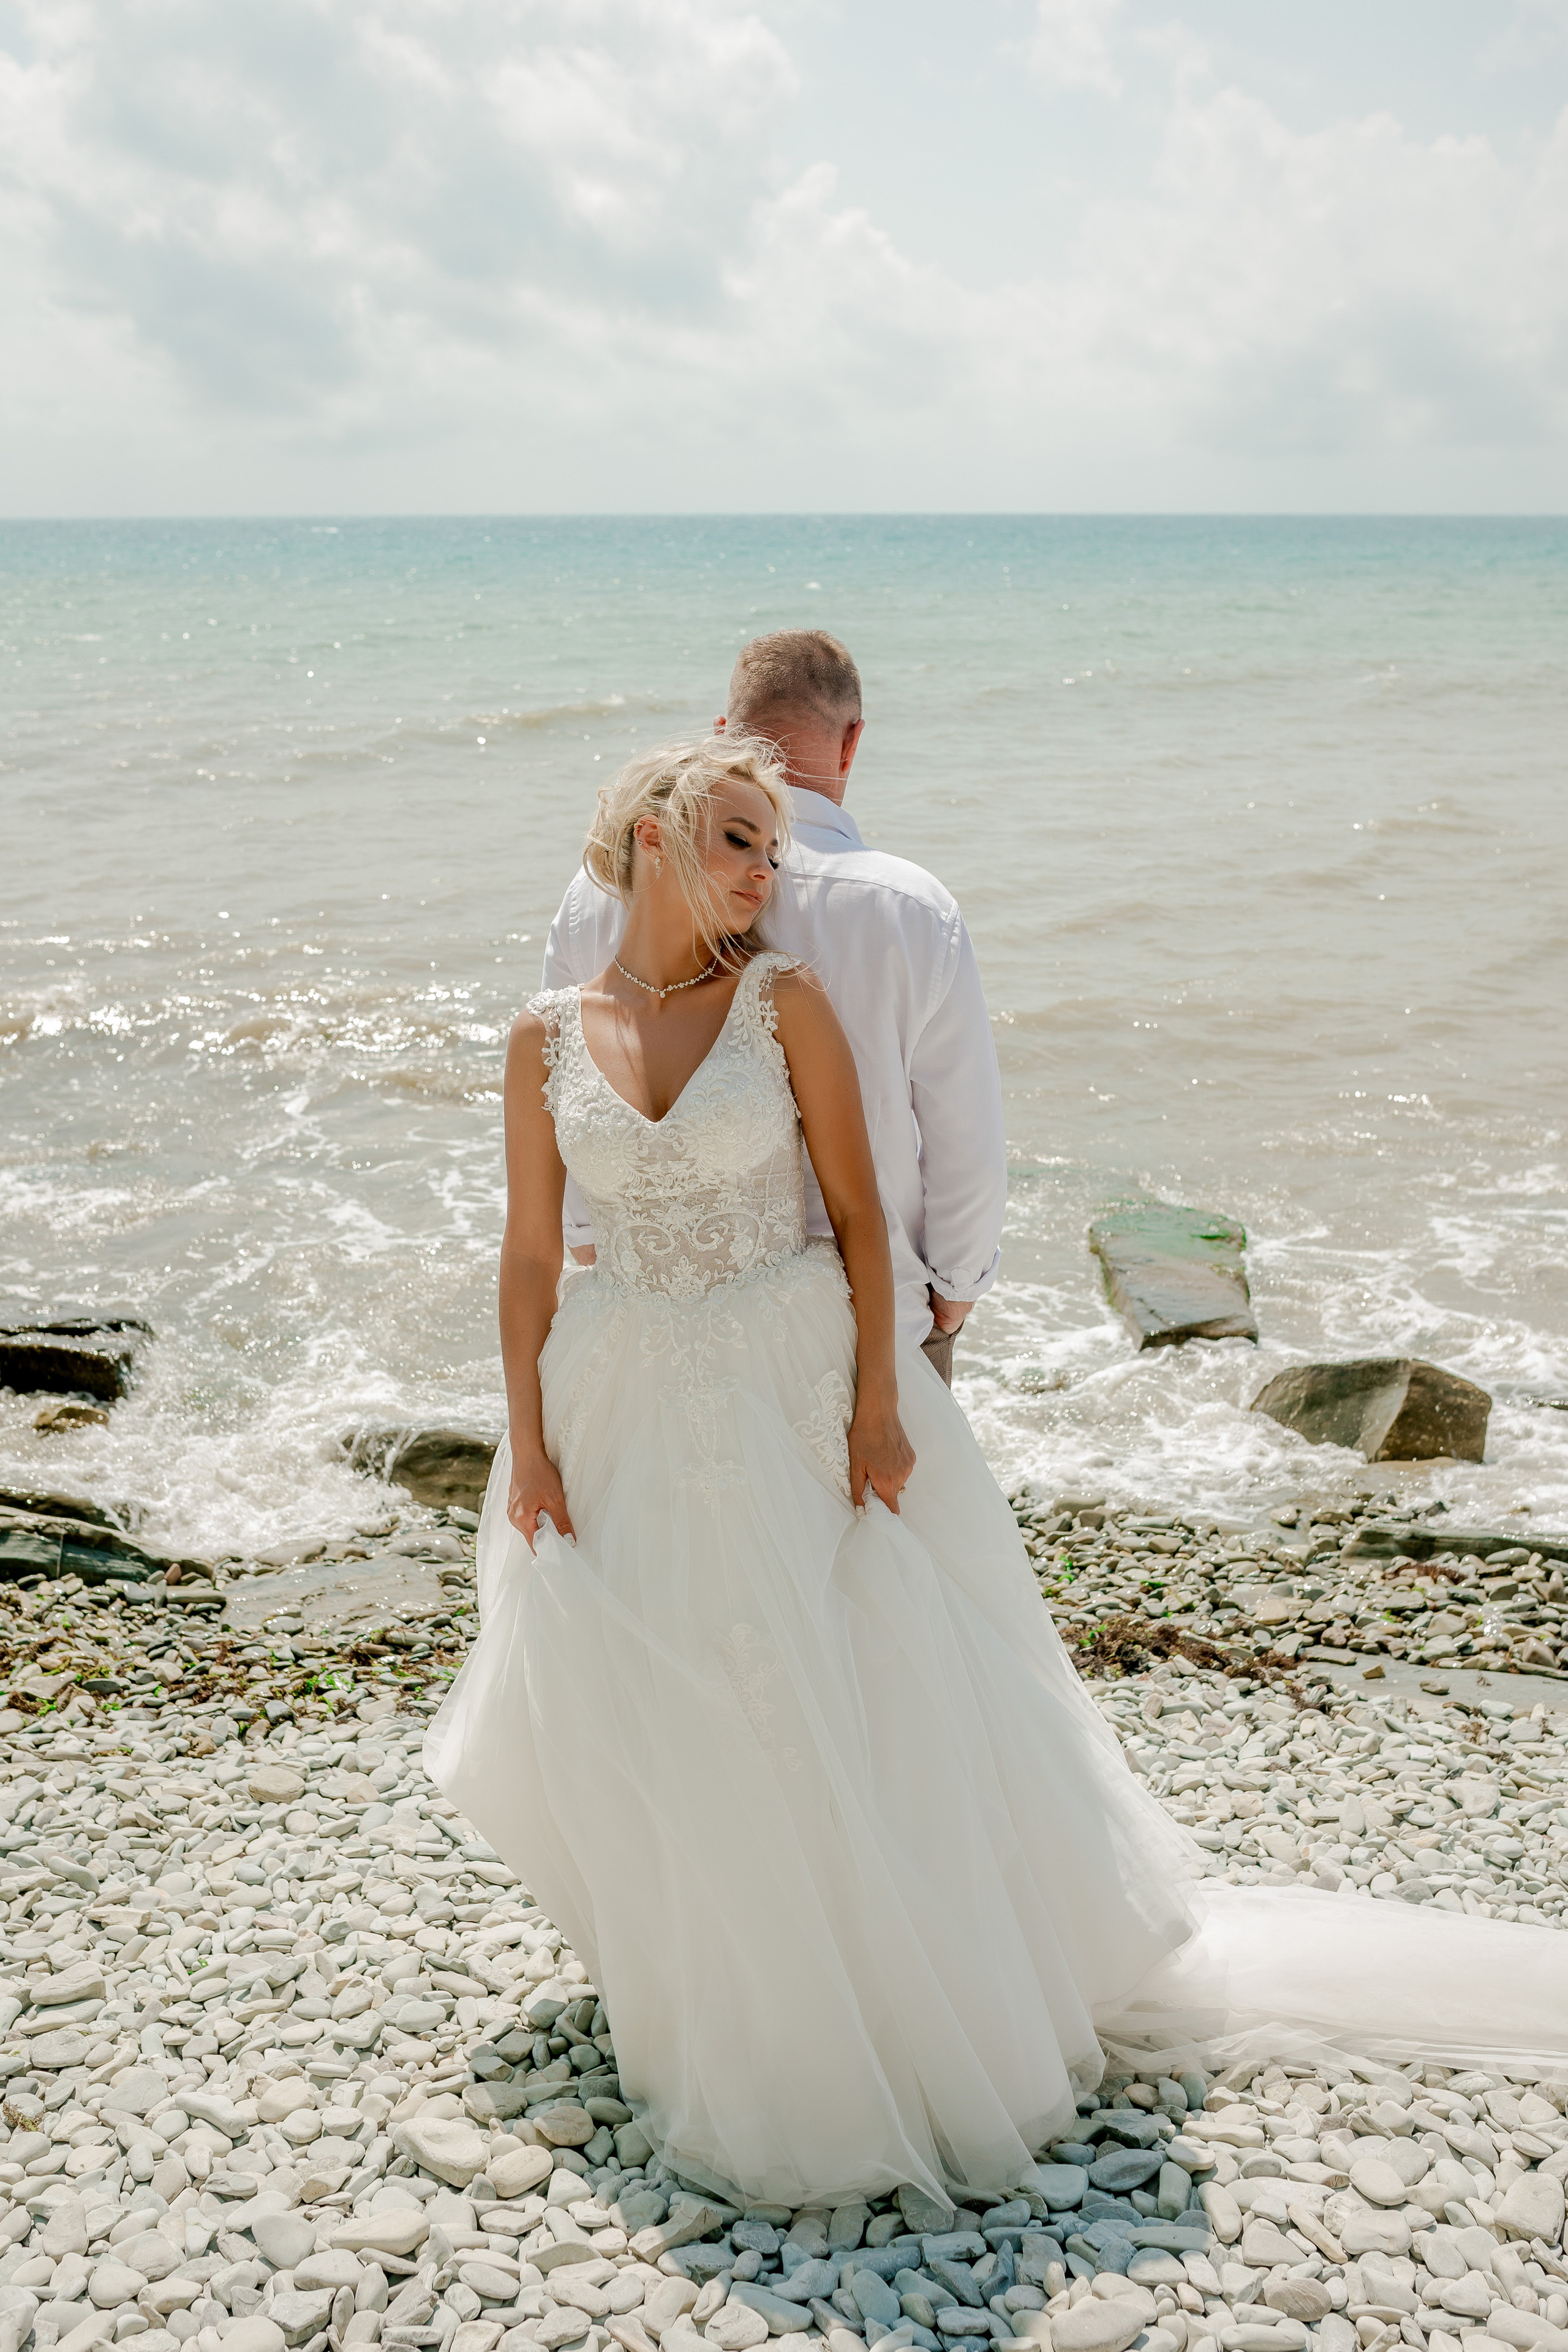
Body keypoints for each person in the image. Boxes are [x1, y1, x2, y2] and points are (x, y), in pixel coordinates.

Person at [428, 733, 1568, 2214]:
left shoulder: (786, 1004)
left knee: (835, 1682)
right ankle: (717, 1998)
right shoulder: (537, 1032)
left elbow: (853, 1218)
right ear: (651, 833)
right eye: (736, 841)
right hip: (620, 1389)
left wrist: (880, 1402)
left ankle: (894, 2004)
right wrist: (525, 1436)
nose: (763, 872)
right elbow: (528, 1251)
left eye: (774, 848)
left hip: (791, 1380)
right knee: (672, 1695)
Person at [541, 628, 1005, 1384]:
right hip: (871, 1316)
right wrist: (955, 1286)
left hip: (660, 1316)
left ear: (725, 736)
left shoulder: (599, 896)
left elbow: (564, 1094)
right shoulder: (911, 906)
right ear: (851, 743)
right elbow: (965, 1134)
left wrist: (592, 1241)